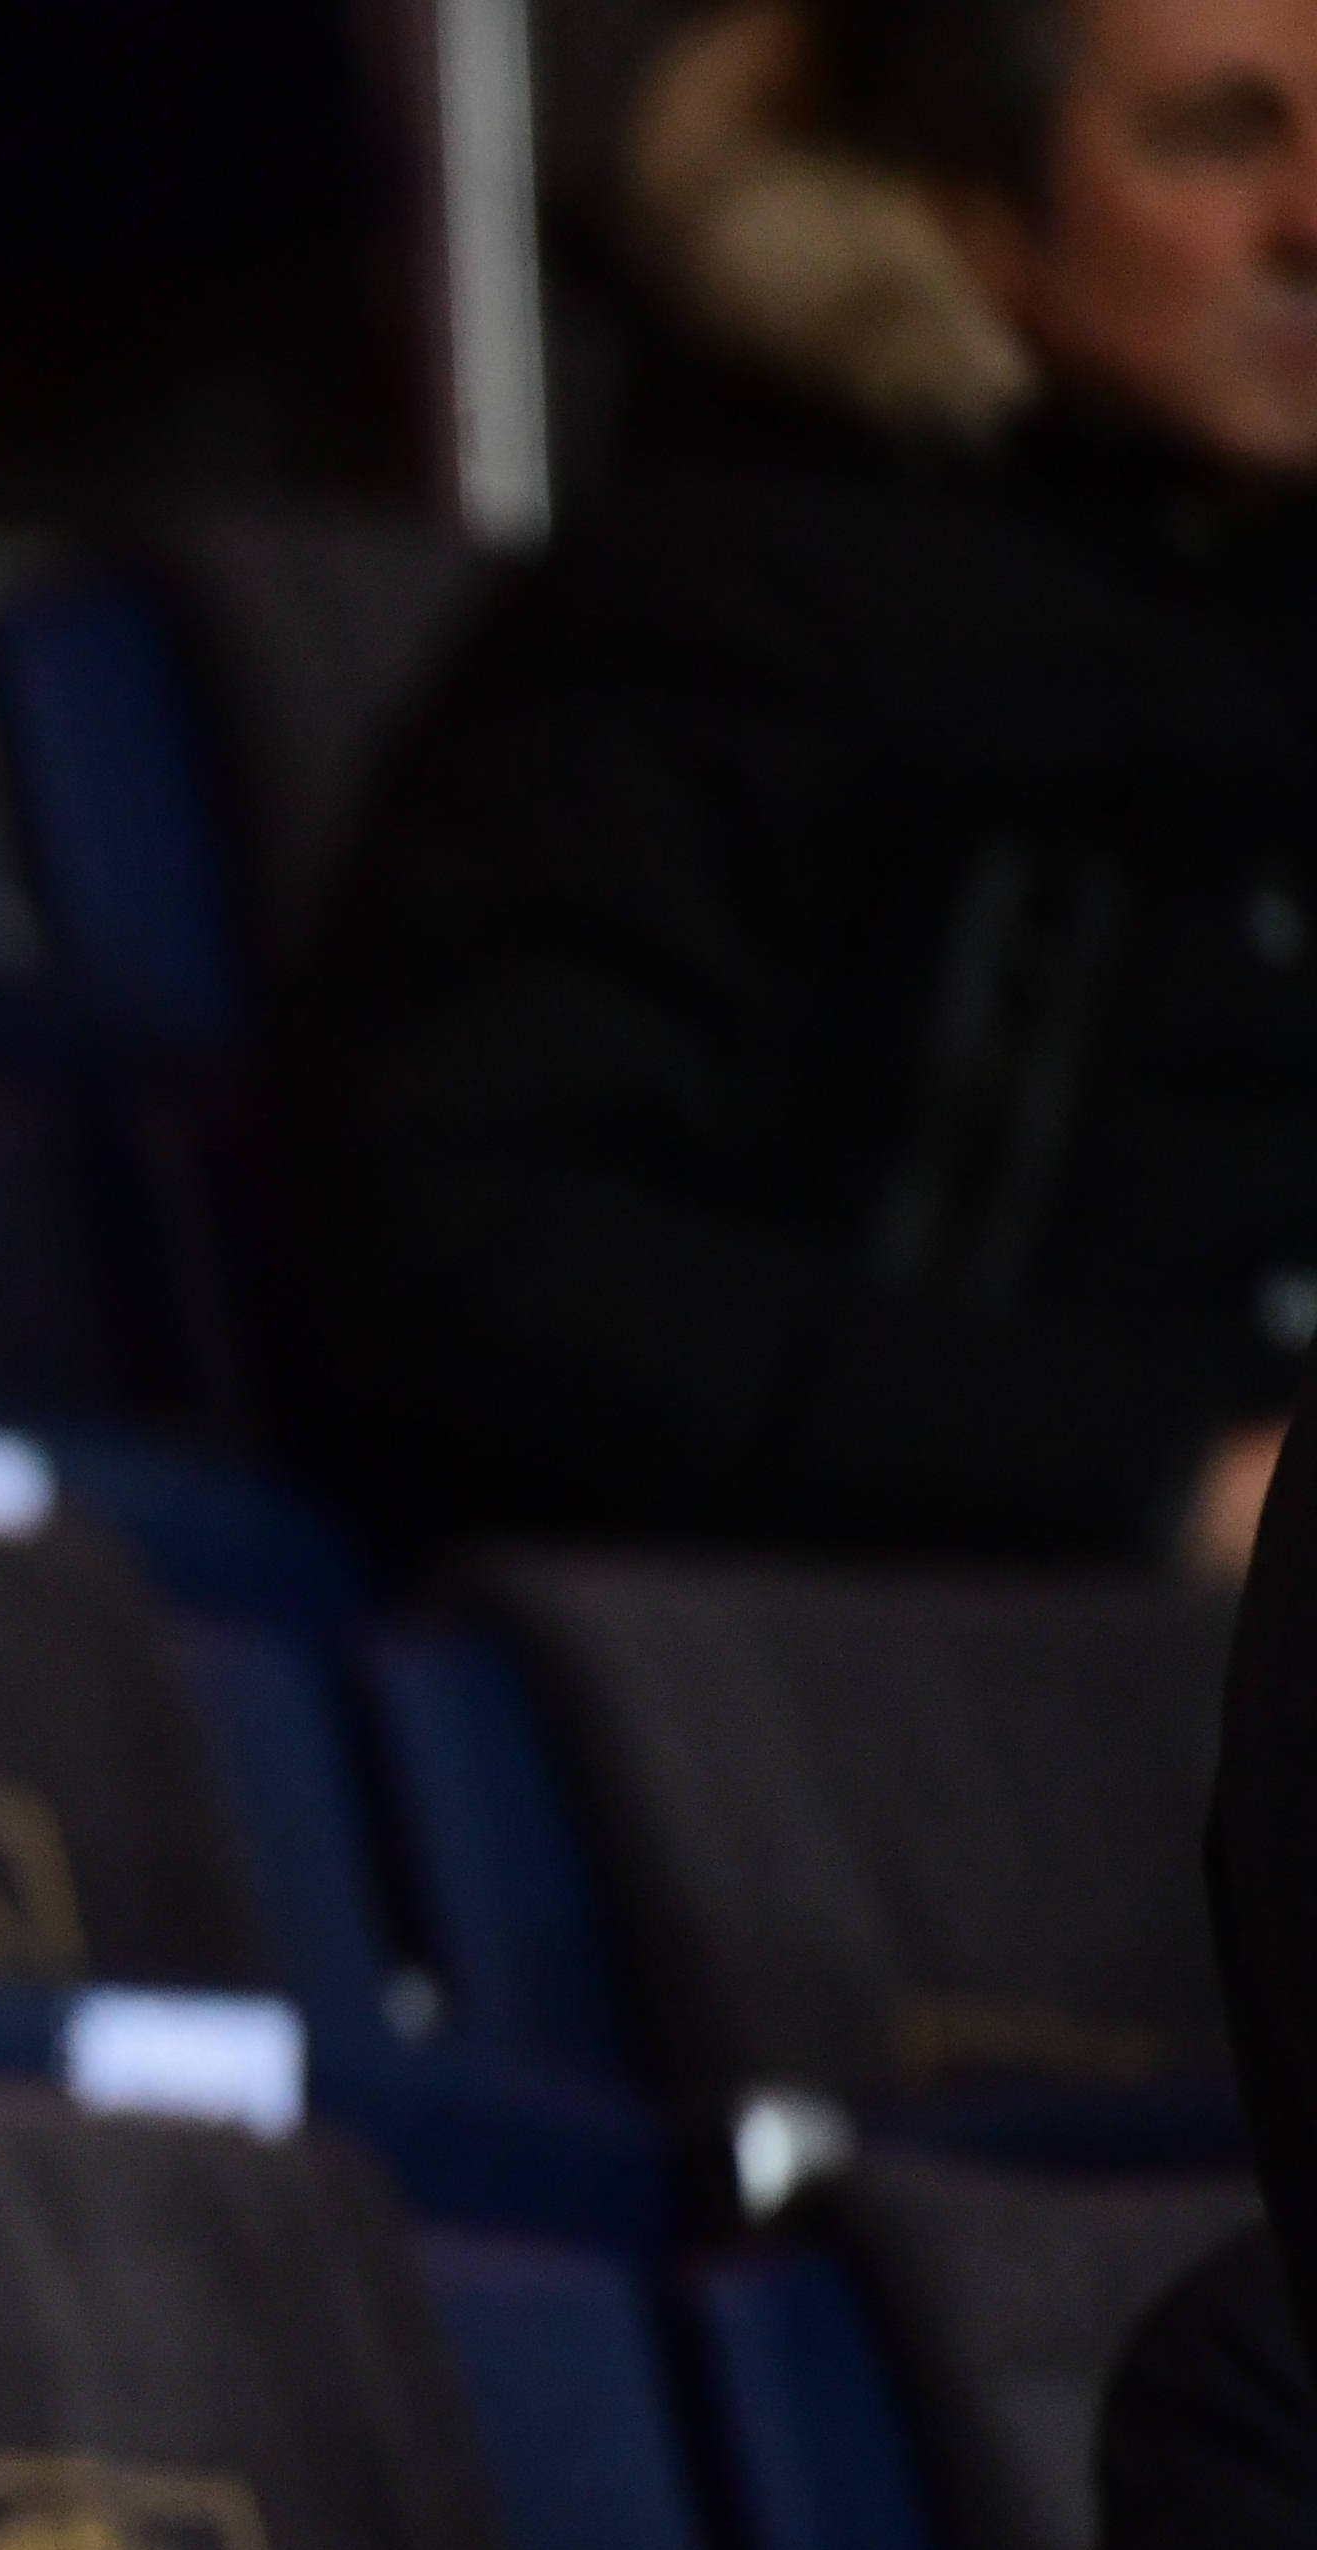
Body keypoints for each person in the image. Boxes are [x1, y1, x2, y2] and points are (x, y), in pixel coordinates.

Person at [282, 0, 1317, 1569]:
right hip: (903, 1694)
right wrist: (1167, 1483)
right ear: (967, 206)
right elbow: (488, 1274)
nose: (1313, 219)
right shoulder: (720, 609)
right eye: (1218, 139)